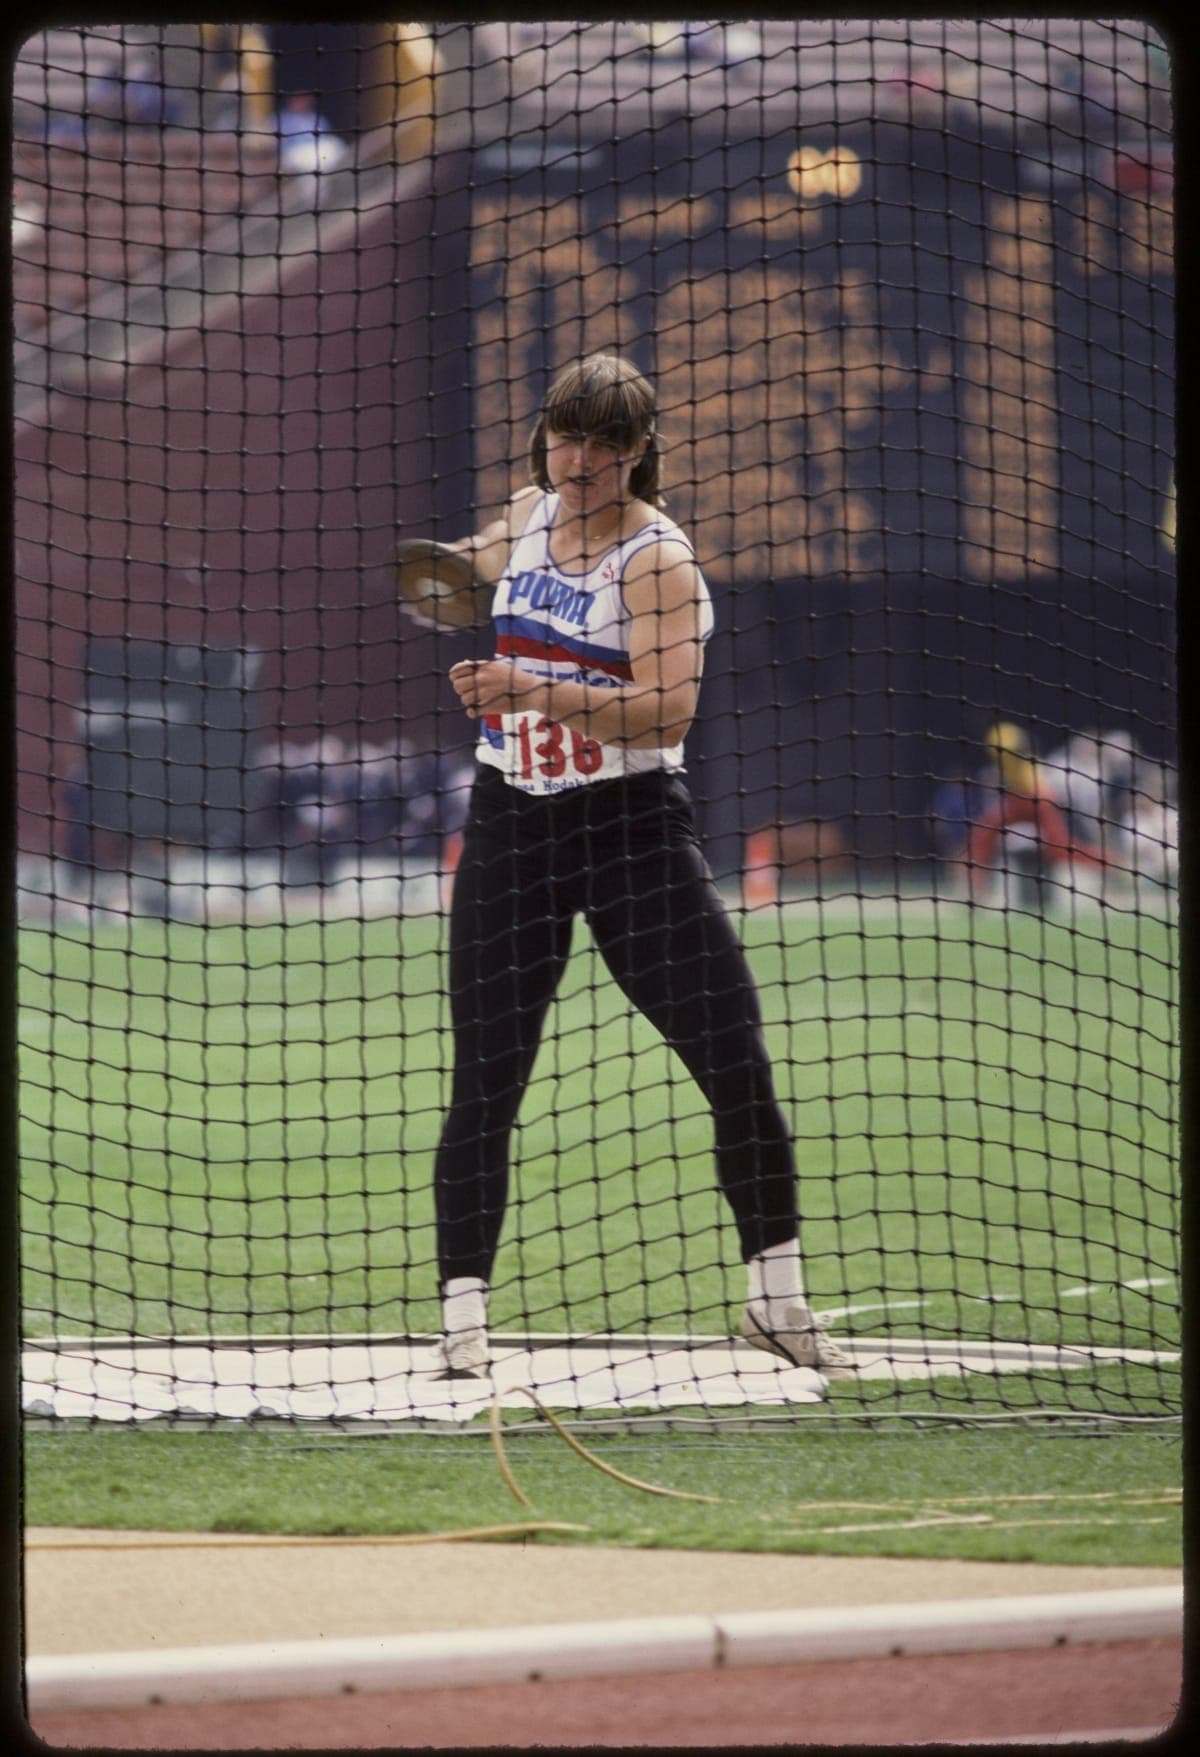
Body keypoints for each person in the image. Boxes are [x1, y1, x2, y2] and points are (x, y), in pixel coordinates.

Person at [427, 351, 853, 1381]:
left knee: (734, 1056)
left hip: (629, 834)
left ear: (639, 455)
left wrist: (530, 687)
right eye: (566, 438)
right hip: (510, 826)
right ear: (544, 438)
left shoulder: (656, 560)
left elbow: (668, 711)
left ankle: (777, 1303)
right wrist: (442, 583)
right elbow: (461, 567)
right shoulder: (530, 510)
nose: (581, 462)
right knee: (486, 1077)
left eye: (605, 448)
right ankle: (463, 1326)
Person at [966, 722, 1107, 904]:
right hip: (1017, 800)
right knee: (982, 835)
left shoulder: (1015, 747)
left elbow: (1015, 745)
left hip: (1039, 800)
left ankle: (1109, 862)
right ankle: (976, 887)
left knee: (1059, 848)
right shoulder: (1003, 747)